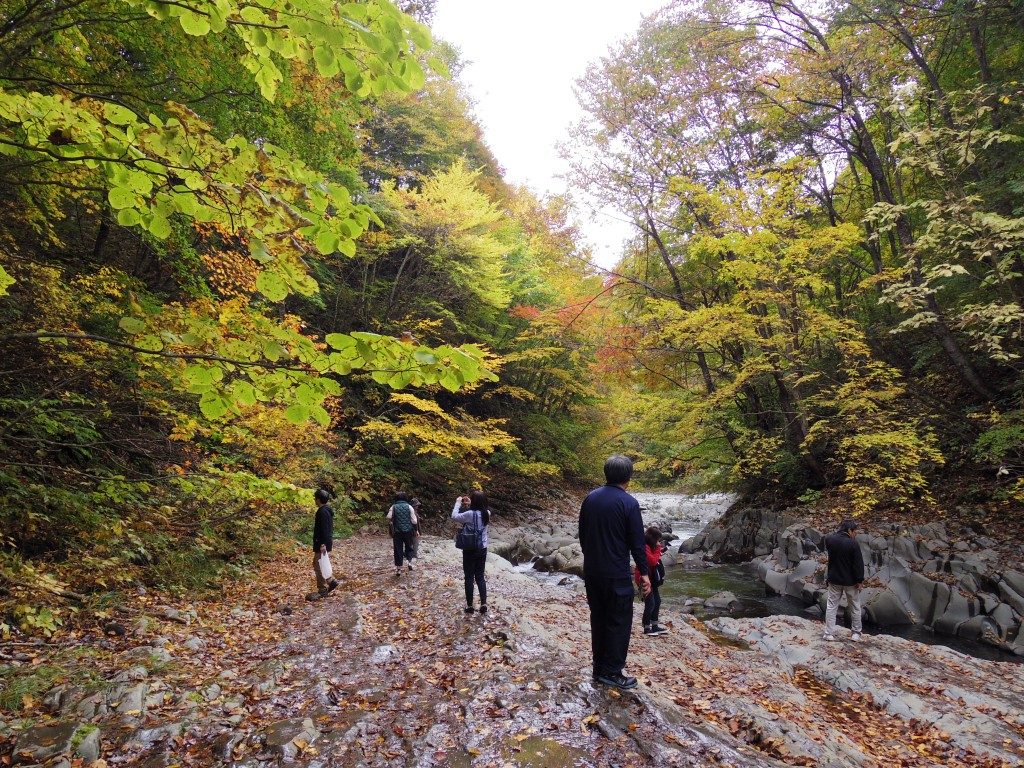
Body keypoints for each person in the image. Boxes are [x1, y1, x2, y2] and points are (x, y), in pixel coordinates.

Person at [579, 455, 650, 690]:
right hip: (616, 573)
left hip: (592, 571)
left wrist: (591, 557)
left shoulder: (590, 499)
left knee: (598, 618)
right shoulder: (628, 503)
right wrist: (645, 573)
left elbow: (583, 534)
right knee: (619, 622)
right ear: (629, 477)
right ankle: (613, 672)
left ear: (606, 473)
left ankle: (599, 668)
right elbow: (637, 543)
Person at [823, 518, 865, 642]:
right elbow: (858, 564)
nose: (855, 534)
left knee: (831, 606)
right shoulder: (853, 544)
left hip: (834, 579)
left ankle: (828, 633)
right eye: (854, 531)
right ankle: (856, 633)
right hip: (850, 581)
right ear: (849, 530)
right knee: (855, 607)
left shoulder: (830, 540)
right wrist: (860, 580)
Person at [452, 491, 490, 614]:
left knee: (469, 577)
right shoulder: (487, 514)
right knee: (480, 576)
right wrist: (469, 504)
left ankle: (469, 606)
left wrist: (458, 503)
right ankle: (483, 603)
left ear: (474, 501)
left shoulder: (469, 514)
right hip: (482, 548)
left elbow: (454, 516)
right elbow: (478, 513)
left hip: (469, 548)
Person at [637, 527, 668, 637]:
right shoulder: (644, 546)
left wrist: (658, 550)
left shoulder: (651, 546)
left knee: (657, 601)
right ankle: (646, 627)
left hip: (652, 579)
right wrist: (659, 549)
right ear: (652, 538)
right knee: (650, 603)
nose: (658, 542)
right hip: (644, 578)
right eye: (657, 540)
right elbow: (652, 561)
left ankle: (655, 625)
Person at [310, 488, 340, 600]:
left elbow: (325, 529)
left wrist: (323, 544)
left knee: (318, 565)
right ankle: (330, 581)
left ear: (318, 499)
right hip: (323, 542)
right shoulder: (326, 510)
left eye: (315, 498)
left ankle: (323, 589)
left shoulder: (322, 512)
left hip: (321, 543)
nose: (314, 500)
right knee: (320, 564)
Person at [387, 492, 418, 576]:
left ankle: (398, 569)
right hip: (408, 531)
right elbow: (414, 521)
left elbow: (389, 517)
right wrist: (416, 530)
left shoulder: (393, 507)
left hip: (397, 532)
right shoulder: (409, 507)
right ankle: (409, 563)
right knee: (409, 547)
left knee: (398, 549)